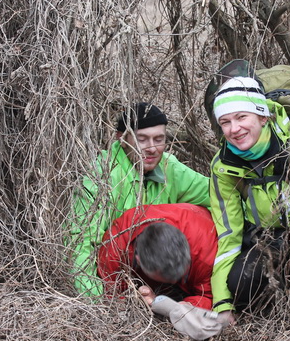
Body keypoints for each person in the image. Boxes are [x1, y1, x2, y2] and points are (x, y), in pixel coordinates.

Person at [207, 63, 290, 326]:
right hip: (267, 241)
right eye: (225, 122)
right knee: (239, 285)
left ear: (263, 116)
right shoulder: (223, 166)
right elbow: (228, 235)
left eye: (241, 117)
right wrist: (222, 303)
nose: (234, 129)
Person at [68, 102, 210, 297]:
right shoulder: (101, 176)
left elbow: (220, 196)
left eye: (159, 139)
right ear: (121, 138)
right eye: (142, 139)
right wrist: (97, 302)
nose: (152, 148)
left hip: (159, 273)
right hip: (113, 275)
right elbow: (79, 245)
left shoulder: (170, 168)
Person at [96, 203, 217, 311]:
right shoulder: (114, 250)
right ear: (139, 260)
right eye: (166, 278)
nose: (173, 282)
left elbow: (212, 297)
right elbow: (114, 295)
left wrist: (188, 306)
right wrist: (136, 299)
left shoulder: (208, 252)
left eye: (180, 274)